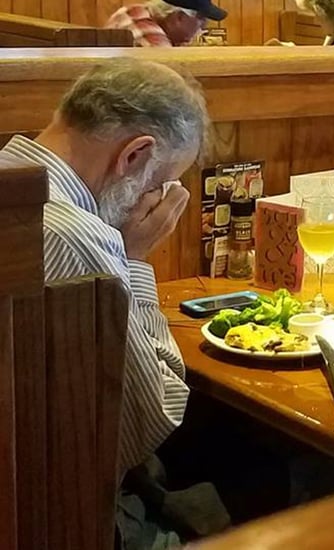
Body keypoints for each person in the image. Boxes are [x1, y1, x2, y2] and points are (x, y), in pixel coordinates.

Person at [0, 57, 212, 547]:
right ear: (134, 156)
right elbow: (153, 419)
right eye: (161, 185)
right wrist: (134, 260)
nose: (156, 201)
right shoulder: (75, 236)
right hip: (52, 516)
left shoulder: (11, 174)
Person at [106, 0, 227, 47]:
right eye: (201, 19)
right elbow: (171, 72)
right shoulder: (137, 18)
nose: (204, 26)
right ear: (178, 17)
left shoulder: (163, 28)